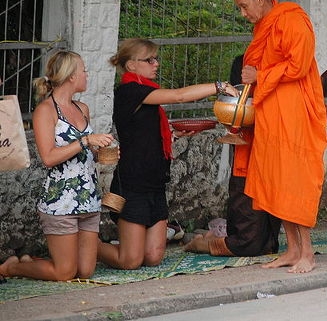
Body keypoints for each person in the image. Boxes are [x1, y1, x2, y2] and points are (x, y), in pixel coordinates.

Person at [98, 38, 238, 270]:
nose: (156, 64)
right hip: (133, 184)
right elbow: (179, 96)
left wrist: (173, 134)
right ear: (131, 65)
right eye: (149, 59)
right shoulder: (129, 91)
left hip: (155, 183)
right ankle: (87, 244)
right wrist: (219, 87)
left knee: (152, 257)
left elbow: (143, 132)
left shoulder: (148, 93)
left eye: (156, 59)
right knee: (130, 261)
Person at [233, 0, 327, 273]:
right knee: (275, 181)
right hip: (271, 113)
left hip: (295, 113)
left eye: (244, 6)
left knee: (293, 181)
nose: (243, 14)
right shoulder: (263, 26)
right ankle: (292, 249)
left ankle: (308, 254)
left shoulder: (292, 19)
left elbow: (298, 64)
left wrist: (260, 76)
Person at [0, 50, 115, 281]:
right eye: (83, 70)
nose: (86, 74)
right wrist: (85, 141)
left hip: (88, 197)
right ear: (71, 76)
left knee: (85, 271)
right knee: (65, 273)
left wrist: (101, 152)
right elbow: (49, 158)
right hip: (60, 201)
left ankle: (31, 262)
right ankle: (12, 268)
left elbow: (84, 152)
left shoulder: (82, 108)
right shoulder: (45, 111)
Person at [184, 54, 282, 257]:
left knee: (268, 239)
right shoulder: (246, 61)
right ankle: (204, 244)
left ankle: (214, 238)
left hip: (274, 147)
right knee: (248, 238)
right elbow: (237, 105)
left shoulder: (280, 64)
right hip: (248, 147)